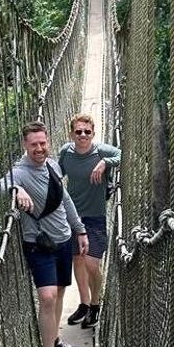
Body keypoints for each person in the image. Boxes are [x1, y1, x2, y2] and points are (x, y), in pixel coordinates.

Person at [0, 121, 89, 347]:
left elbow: (65, 200)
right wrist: (17, 188)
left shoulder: (54, 165)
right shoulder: (19, 172)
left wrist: (80, 230)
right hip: (39, 244)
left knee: (57, 294)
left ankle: (55, 341)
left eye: (43, 143)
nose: (39, 148)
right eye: (34, 144)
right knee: (46, 297)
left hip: (64, 240)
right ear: (25, 145)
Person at [58, 113, 121, 329]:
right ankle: (84, 304)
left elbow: (123, 154)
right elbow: (57, 173)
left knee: (92, 264)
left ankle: (95, 304)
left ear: (93, 133)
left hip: (95, 217)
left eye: (87, 131)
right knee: (77, 259)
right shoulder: (66, 152)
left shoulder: (101, 151)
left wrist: (105, 162)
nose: (83, 135)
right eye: (78, 132)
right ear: (71, 133)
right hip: (73, 216)